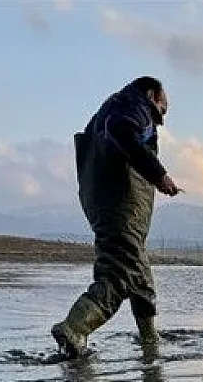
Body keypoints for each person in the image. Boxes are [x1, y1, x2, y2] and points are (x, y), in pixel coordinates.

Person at [52, 76, 182, 358]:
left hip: (105, 203)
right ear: (151, 94)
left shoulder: (108, 110)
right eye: (163, 108)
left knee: (140, 274)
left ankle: (150, 340)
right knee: (120, 272)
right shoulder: (133, 107)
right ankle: (75, 327)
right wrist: (159, 175)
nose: (161, 118)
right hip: (119, 206)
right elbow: (121, 131)